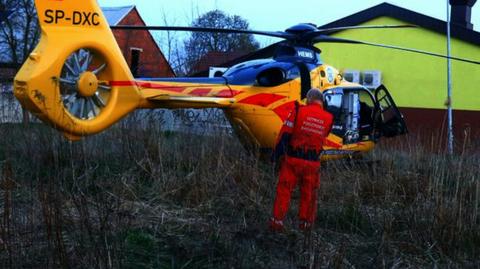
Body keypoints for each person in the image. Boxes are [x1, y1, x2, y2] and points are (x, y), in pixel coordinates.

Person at [270, 88, 333, 232]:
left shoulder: (298, 111)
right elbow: (325, 134)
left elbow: (285, 135)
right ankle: (305, 225)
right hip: (313, 163)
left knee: (284, 190)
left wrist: (275, 157)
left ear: (309, 99)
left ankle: (276, 223)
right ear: (321, 101)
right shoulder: (329, 117)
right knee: (309, 194)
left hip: (293, 160)